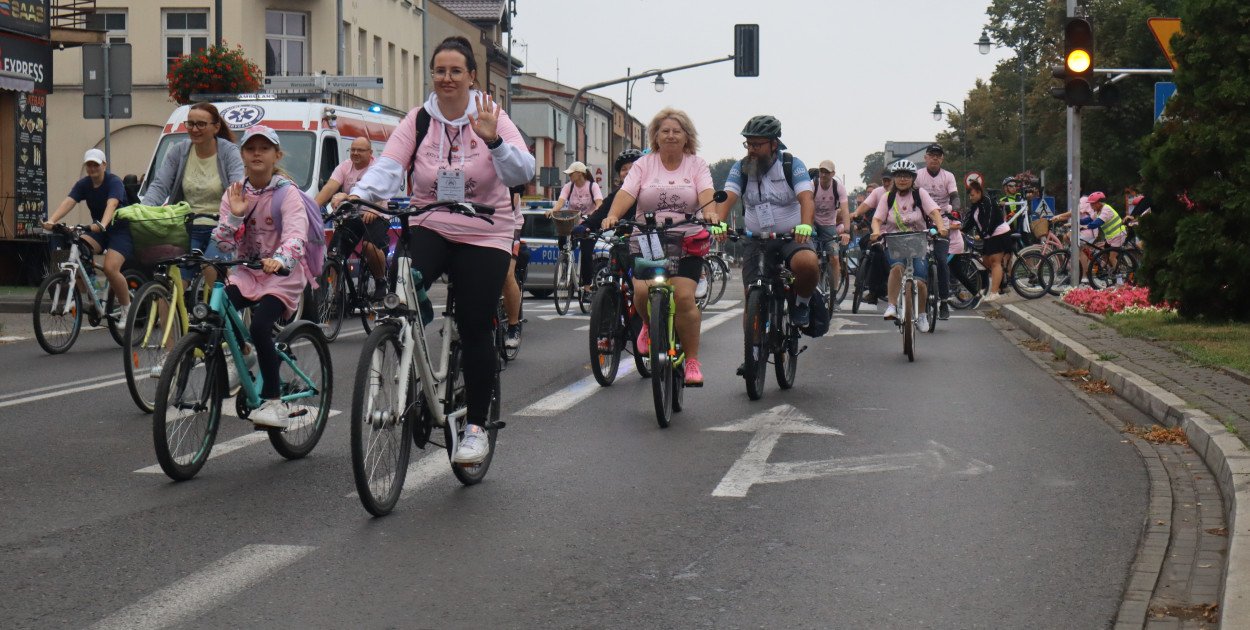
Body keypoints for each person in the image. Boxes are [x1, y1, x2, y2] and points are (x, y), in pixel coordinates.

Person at [349, 35, 535, 464]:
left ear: (471, 76)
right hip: (432, 223)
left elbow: (520, 172)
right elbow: (389, 168)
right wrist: (356, 197)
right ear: (432, 76)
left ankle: (475, 427)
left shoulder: (492, 115)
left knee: (474, 322)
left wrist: (493, 142)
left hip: (486, 231)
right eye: (439, 71)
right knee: (401, 289)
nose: (446, 78)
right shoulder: (418, 121)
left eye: (455, 71)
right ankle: (407, 335)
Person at [210, 126, 313, 429]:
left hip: (282, 275)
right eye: (250, 148)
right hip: (246, 272)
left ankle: (274, 399)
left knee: (260, 326)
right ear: (241, 154)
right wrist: (236, 215)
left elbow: (296, 235)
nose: (257, 153)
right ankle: (241, 356)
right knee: (215, 314)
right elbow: (225, 244)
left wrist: (279, 260)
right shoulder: (235, 193)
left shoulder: (287, 193)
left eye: (264, 148)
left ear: (276, 155)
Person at [601, 109, 714, 386]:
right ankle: (649, 327)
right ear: (656, 136)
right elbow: (627, 193)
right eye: (665, 131)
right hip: (649, 237)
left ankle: (691, 361)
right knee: (642, 290)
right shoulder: (643, 165)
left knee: (685, 298)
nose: (671, 135)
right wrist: (613, 214)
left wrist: (711, 213)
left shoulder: (696, 164)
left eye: (677, 131)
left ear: (686, 136)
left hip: (687, 237)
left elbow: (706, 195)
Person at [716, 114, 818, 333]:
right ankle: (752, 354)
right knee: (751, 294)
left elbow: (806, 198)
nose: (751, 150)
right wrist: (718, 222)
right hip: (757, 239)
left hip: (791, 236)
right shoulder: (742, 168)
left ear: (774, 144)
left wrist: (806, 225)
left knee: (808, 263)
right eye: (748, 144)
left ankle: (801, 303)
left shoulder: (791, 164)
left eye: (757, 144)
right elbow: (727, 197)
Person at [142, 102, 245, 284]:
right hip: (189, 226)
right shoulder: (179, 151)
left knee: (212, 269)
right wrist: (143, 211)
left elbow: (237, 189)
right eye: (190, 123)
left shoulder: (229, 152)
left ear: (216, 127)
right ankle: (170, 312)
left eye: (201, 124)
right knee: (173, 282)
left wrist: (232, 218)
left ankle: (215, 311)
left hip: (221, 227)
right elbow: (160, 185)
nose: (194, 129)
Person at [44, 148, 133, 320]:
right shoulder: (84, 184)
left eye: (96, 165)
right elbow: (69, 201)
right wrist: (52, 221)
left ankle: (126, 309)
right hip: (97, 230)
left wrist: (103, 224)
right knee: (80, 247)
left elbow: (112, 204)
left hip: (119, 230)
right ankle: (94, 294)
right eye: (89, 165)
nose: (92, 168)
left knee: (110, 268)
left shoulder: (114, 182)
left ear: (104, 165)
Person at [870, 160, 947, 330]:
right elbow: (877, 219)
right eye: (898, 175)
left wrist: (941, 226)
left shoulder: (920, 194)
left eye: (906, 176)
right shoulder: (888, 197)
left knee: (920, 281)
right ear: (894, 178)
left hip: (918, 242)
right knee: (896, 268)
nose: (902, 179)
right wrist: (876, 231)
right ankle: (891, 306)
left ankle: (922, 315)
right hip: (895, 242)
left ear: (913, 178)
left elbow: (934, 212)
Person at [320, 136, 388, 299]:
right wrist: (311, 207)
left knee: (369, 247)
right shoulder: (344, 167)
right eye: (353, 149)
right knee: (334, 253)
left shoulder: (378, 167)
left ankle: (380, 281)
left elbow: (384, 192)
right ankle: (336, 294)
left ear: (370, 153)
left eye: (360, 150)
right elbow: (329, 188)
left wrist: (375, 210)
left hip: (376, 213)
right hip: (352, 214)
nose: (355, 153)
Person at [913, 143, 960, 320]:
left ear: (942, 158)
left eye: (938, 155)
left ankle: (945, 302)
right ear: (925, 157)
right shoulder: (918, 176)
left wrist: (955, 210)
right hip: (921, 223)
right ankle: (919, 297)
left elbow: (955, 197)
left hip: (942, 222)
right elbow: (912, 196)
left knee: (941, 260)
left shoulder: (948, 176)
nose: (935, 158)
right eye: (931, 155)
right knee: (919, 261)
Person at [547, 161, 603, 292]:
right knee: (562, 240)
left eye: (571, 174)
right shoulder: (568, 186)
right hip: (573, 222)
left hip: (588, 223)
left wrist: (593, 217)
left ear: (579, 174)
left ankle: (587, 286)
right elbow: (560, 202)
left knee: (586, 253)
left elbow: (599, 204)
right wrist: (552, 210)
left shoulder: (593, 186)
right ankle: (566, 261)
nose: (569, 176)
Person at [962, 179, 1011, 304]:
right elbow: (971, 222)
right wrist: (962, 231)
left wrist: (983, 234)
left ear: (979, 192)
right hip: (988, 236)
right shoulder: (975, 206)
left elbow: (989, 220)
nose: (970, 197)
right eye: (969, 195)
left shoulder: (987, 201)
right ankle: (1000, 279)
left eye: (972, 195)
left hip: (999, 233)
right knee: (985, 261)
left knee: (995, 262)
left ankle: (994, 292)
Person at [812, 159, 850, 307]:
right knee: (810, 258)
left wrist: (846, 231)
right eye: (821, 171)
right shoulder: (813, 185)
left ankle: (833, 295)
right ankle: (811, 290)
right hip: (813, 223)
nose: (823, 174)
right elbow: (805, 205)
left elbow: (845, 210)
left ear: (833, 174)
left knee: (834, 257)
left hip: (829, 225)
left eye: (827, 172)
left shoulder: (838, 187)